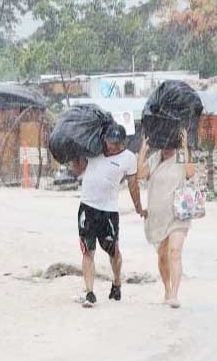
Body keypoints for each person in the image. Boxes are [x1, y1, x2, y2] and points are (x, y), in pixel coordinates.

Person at [70, 124, 145, 307]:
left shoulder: (128, 158)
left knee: (114, 251)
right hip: (87, 207)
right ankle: (90, 292)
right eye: (110, 142)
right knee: (88, 250)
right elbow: (78, 171)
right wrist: (75, 156)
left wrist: (139, 208)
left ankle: (117, 282)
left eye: (117, 144)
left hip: (109, 211)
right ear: (105, 139)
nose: (112, 146)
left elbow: (133, 185)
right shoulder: (93, 149)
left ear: (123, 142)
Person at [137, 133, 196, 308]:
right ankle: (167, 290)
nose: (167, 149)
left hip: (178, 214)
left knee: (175, 251)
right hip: (158, 216)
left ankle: (175, 295)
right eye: (164, 146)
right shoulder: (155, 159)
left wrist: (184, 147)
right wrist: (143, 151)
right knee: (163, 256)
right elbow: (140, 174)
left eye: (170, 145)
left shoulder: (180, 156)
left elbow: (190, 173)